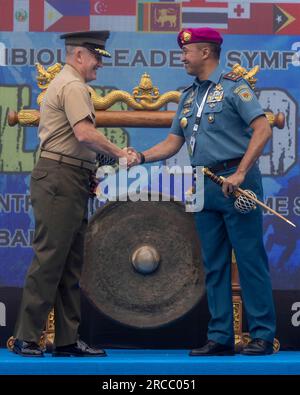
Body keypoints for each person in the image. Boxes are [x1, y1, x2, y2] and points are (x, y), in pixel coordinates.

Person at [127, 27, 276, 356]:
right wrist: (140, 157)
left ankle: (263, 335)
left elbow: (263, 129)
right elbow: (172, 143)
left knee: (250, 259)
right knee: (214, 264)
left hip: (237, 183)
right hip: (203, 183)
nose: (182, 56)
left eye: (187, 50)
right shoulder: (188, 96)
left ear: (206, 52)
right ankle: (220, 336)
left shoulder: (236, 89)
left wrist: (240, 173)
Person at [13, 31, 135, 357]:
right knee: (51, 258)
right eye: (96, 57)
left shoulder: (74, 85)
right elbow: (84, 134)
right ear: (79, 55)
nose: (99, 65)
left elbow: (78, 143)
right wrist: (120, 153)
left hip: (72, 176)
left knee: (69, 263)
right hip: (60, 177)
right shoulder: (73, 86)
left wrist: (98, 165)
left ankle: (66, 340)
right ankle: (27, 337)